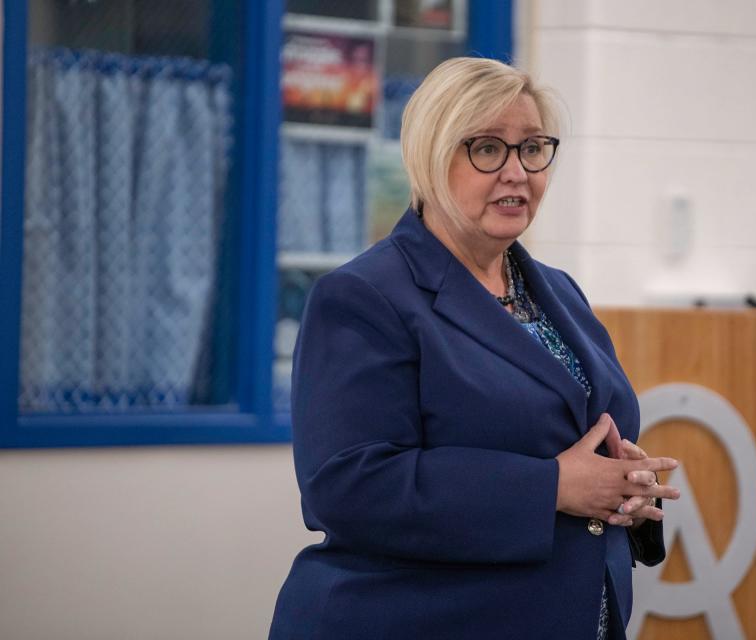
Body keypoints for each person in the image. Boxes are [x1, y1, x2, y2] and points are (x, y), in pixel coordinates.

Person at [269, 56, 680, 640]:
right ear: (432, 159)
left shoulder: (559, 291)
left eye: (533, 148)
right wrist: (554, 487)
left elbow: (578, 448)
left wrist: (620, 492)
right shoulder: (363, 296)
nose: (517, 172)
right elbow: (347, 488)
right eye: (487, 148)